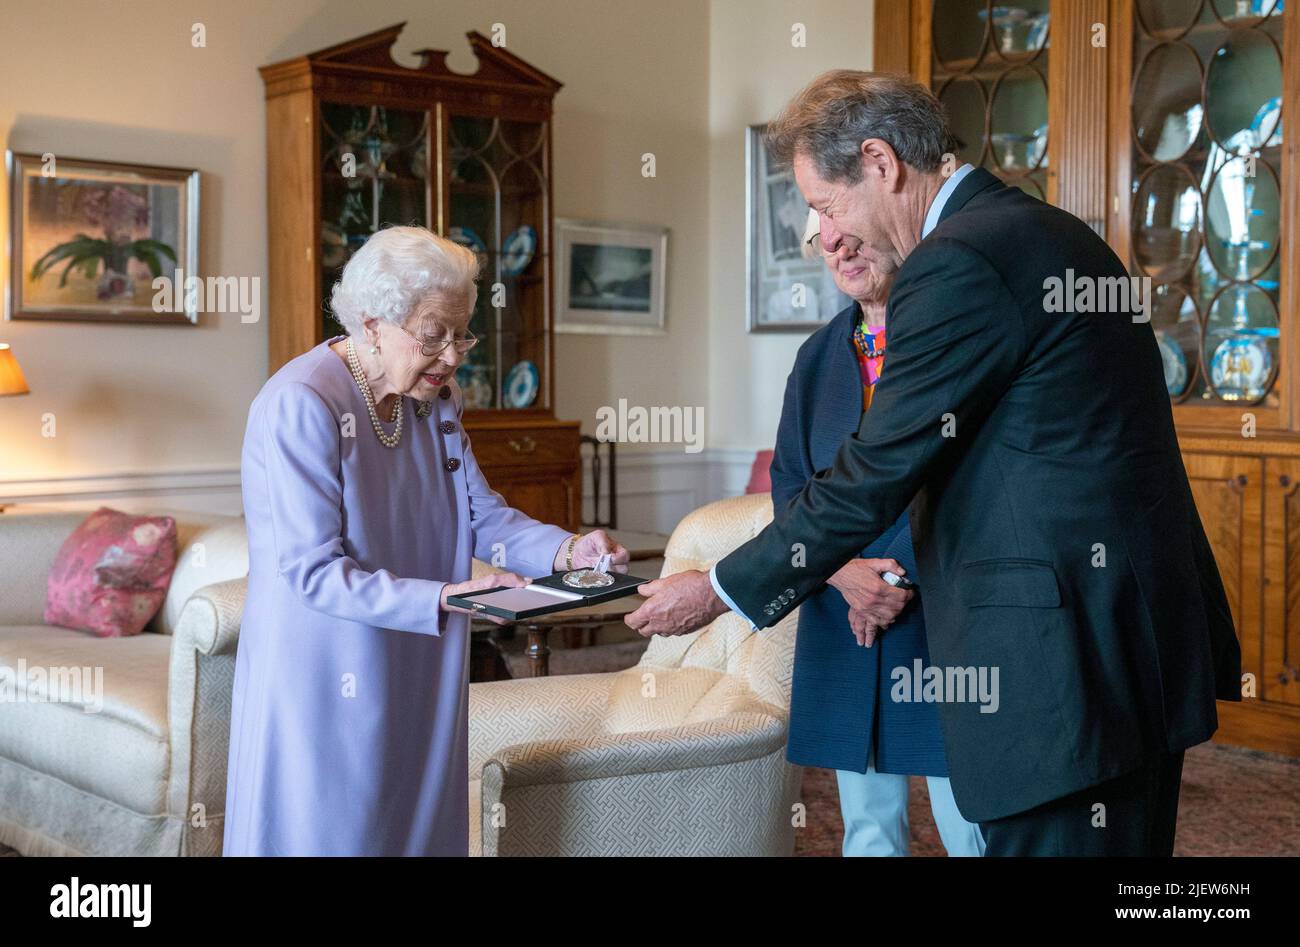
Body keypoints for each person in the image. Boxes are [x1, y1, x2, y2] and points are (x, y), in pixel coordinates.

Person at [626, 71, 1241, 856]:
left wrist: (717, 589)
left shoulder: (959, 263)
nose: (821, 229)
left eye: (823, 203)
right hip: (1124, 645)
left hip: (1061, 672)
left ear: (880, 162)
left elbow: (875, 469)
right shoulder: (1037, 230)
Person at [224, 226, 628, 856]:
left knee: (415, 823)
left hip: (421, 652)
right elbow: (311, 571)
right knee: (337, 830)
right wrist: (445, 597)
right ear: (371, 323)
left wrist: (566, 550)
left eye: (461, 334)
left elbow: (480, 513)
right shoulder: (302, 403)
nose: (452, 356)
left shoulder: (433, 397)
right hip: (329, 665)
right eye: (433, 334)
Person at [776, 209, 984, 855]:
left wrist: (890, 576)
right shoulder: (815, 357)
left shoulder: (952, 337)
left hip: (943, 614)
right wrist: (843, 572)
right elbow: (790, 486)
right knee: (866, 829)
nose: (838, 249)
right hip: (844, 614)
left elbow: (977, 481)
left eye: (850, 233)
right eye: (825, 240)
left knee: (971, 825)